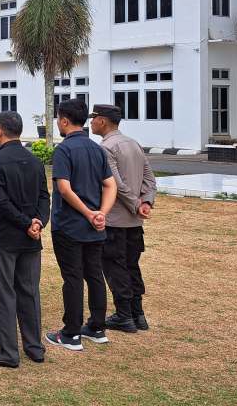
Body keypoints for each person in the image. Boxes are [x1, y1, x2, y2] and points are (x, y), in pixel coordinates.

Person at [0, 112, 49, 369]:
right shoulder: (35, 161)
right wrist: (38, 221)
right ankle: (34, 347)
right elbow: (44, 197)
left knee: (3, 292)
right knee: (29, 292)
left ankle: (8, 350)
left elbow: (1, 200)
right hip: (31, 237)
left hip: (5, 236)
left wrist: (26, 222)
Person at [46, 98, 118, 352]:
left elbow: (64, 188)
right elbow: (111, 185)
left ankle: (71, 333)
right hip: (94, 227)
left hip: (69, 225)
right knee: (94, 275)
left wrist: (90, 213)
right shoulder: (96, 149)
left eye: (58, 119)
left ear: (64, 121)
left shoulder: (64, 150)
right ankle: (97, 327)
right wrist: (101, 213)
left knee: (73, 278)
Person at [89, 104, 157, 333]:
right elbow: (149, 176)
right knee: (131, 265)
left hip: (116, 219)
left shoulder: (106, 148)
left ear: (103, 121)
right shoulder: (132, 143)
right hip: (134, 220)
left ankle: (124, 315)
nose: (91, 122)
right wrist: (145, 201)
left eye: (94, 118)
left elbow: (115, 183)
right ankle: (138, 314)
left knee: (115, 266)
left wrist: (136, 203)